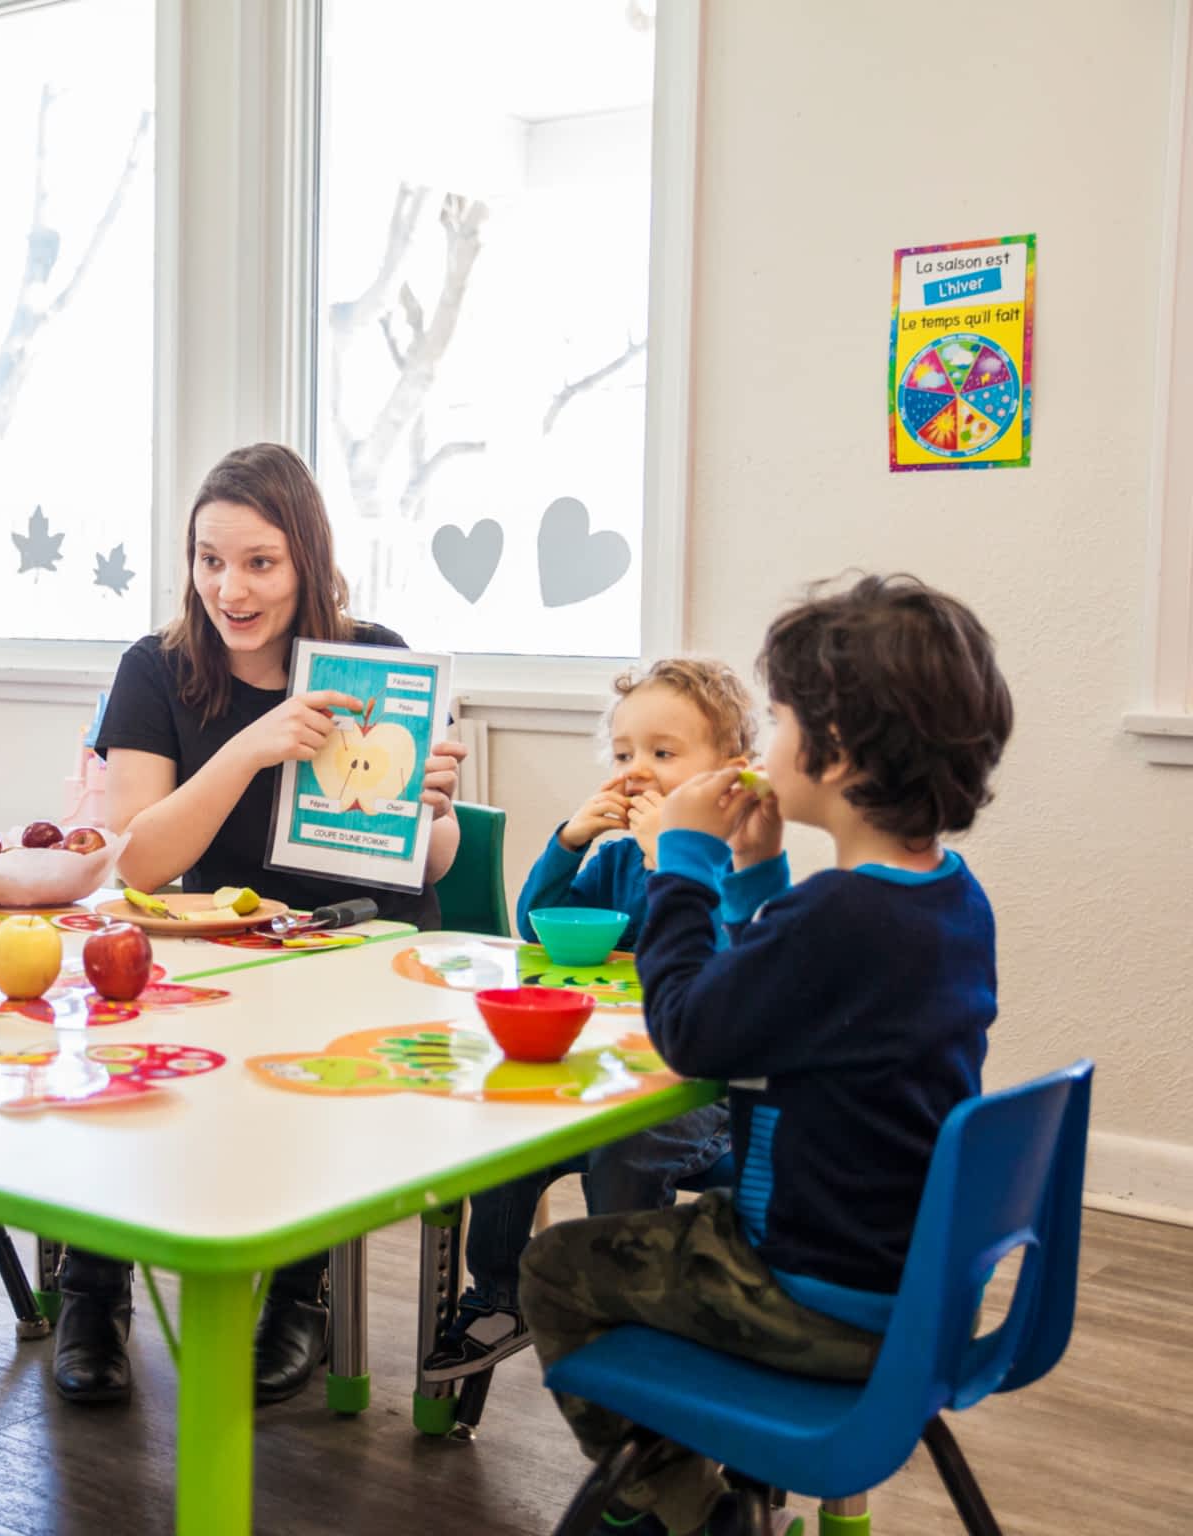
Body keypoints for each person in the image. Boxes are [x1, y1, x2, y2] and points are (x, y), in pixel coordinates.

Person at [521, 575, 1012, 1536]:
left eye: (779, 716)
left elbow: (694, 1029)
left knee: (553, 1270)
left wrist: (683, 866)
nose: (767, 739)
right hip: (910, 1280)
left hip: (805, 1292)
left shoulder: (840, 917)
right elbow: (775, 996)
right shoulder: (945, 901)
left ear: (834, 753)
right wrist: (756, 872)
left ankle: (682, 1506)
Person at [67, 441, 468, 1406]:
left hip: (354, 939)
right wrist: (249, 748)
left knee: (323, 1050)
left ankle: (303, 1294)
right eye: (210, 559)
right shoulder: (156, 669)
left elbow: (434, 865)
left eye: (259, 562)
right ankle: (92, 1289)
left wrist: (431, 812)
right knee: (104, 1031)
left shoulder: (371, 658)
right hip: (218, 945)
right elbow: (139, 859)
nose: (229, 587)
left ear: (308, 563)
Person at [424, 659, 777, 1385]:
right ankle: (498, 1296)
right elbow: (538, 926)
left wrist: (672, 858)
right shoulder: (617, 862)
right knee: (509, 1132)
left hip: (701, 1096)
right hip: (607, 1067)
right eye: (624, 755)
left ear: (730, 776)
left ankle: (626, 1315)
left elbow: (726, 980)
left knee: (628, 1147)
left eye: (664, 754)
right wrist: (569, 842)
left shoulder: (742, 866)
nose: (637, 773)